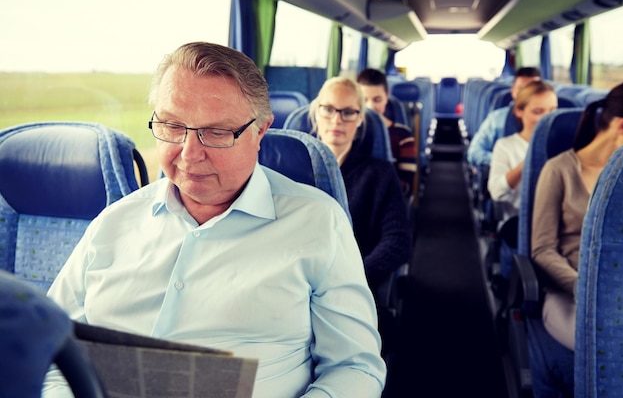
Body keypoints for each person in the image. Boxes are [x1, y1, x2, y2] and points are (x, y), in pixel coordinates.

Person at [43, 42, 386, 397]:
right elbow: (48, 345)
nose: (190, 154)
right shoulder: (112, 224)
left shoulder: (318, 223)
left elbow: (355, 367)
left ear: (260, 132)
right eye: (173, 126)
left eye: (217, 132)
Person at [307, 77, 412, 348]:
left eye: (348, 112)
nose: (337, 120)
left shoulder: (379, 174)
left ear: (360, 118)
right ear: (316, 112)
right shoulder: (287, 171)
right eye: (328, 109)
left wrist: (351, 279)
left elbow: (398, 241)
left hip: (353, 288)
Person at [532, 82, 623, 351]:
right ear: (622, 126)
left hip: (620, 295)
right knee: (606, 346)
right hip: (569, 295)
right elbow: (542, 249)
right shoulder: (559, 170)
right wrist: (582, 286)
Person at [488, 80, 557, 224]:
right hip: (520, 222)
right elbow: (497, 193)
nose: (547, 118)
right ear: (519, 111)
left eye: (552, 110)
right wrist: (528, 163)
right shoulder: (505, 146)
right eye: (538, 112)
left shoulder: (566, 147)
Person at [357, 68, 418, 200]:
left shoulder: (403, 136)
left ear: (387, 98)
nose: (371, 106)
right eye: (364, 100)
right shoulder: (349, 133)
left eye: (377, 100)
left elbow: (407, 187)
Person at [467, 67, 542, 168]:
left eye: (533, 90)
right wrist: (503, 161)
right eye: (522, 89)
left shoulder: (550, 120)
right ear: (513, 91)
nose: (527, 95)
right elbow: (475, 152)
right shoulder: (497, 119)